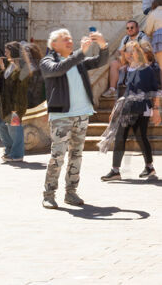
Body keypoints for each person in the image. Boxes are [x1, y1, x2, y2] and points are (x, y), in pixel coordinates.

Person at [39, 27, 108, 209]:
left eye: (70, 38)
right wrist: (80, 53)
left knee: (76, 155)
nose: (69, 41)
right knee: (58, 156)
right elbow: (58, 70)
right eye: (64, 38)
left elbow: (101, 61)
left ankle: (71, 192)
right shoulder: (48, 61)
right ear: (54, 44)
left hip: (82, 113)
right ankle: (49, 194)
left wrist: (103, 45)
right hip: (61, 115)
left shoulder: (78, 61)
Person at [100, 41, 162, 181]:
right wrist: (115, 110)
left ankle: (149, 167)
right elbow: (122, 93)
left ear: (138, 52)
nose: (128, 54)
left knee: (141, 137)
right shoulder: (125, 70)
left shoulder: (147, 70)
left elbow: (155, 91)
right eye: (126, 51)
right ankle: (115, 170)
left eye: (132, 51)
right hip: (127, 108)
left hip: (142, 107)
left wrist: (156, 110)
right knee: (120, 137)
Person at [0, 41, 32, 163]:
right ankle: (9, 150)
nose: (5, 54)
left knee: (15, 129)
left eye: (7, 52)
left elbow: (18, 86)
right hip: (5, 104)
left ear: (13, 52)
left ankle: (17, 154)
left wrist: (15, 108)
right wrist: (2, 66)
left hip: (15, 105)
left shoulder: (23, 68)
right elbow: (4, 82)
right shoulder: (11, 65)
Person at [103, 20, 148, 97]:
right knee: (114, 63)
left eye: (132, 27)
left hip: (140, 62)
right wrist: (123, 60)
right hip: (128, 61)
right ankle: (112, 89)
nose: (129, 29)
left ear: (137, 28)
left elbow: (146, 53)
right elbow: (120, 51)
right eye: (127, 28)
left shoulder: (143, 37)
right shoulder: (126, 38)